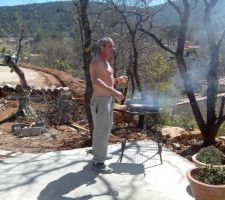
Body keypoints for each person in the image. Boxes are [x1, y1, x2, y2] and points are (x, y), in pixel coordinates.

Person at [89, 37, 128, 174]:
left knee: (105, 129)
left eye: (113, 46)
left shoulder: (105, 62)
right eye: (110, 46)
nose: (113, 49)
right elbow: (96, 81)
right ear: (102, 47)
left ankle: (100, 154)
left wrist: (117, 80)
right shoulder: (96, 61)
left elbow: (107, 80)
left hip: (106, 99)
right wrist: (114, 92)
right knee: (101, 131)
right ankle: (98, 162)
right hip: (101, 100)